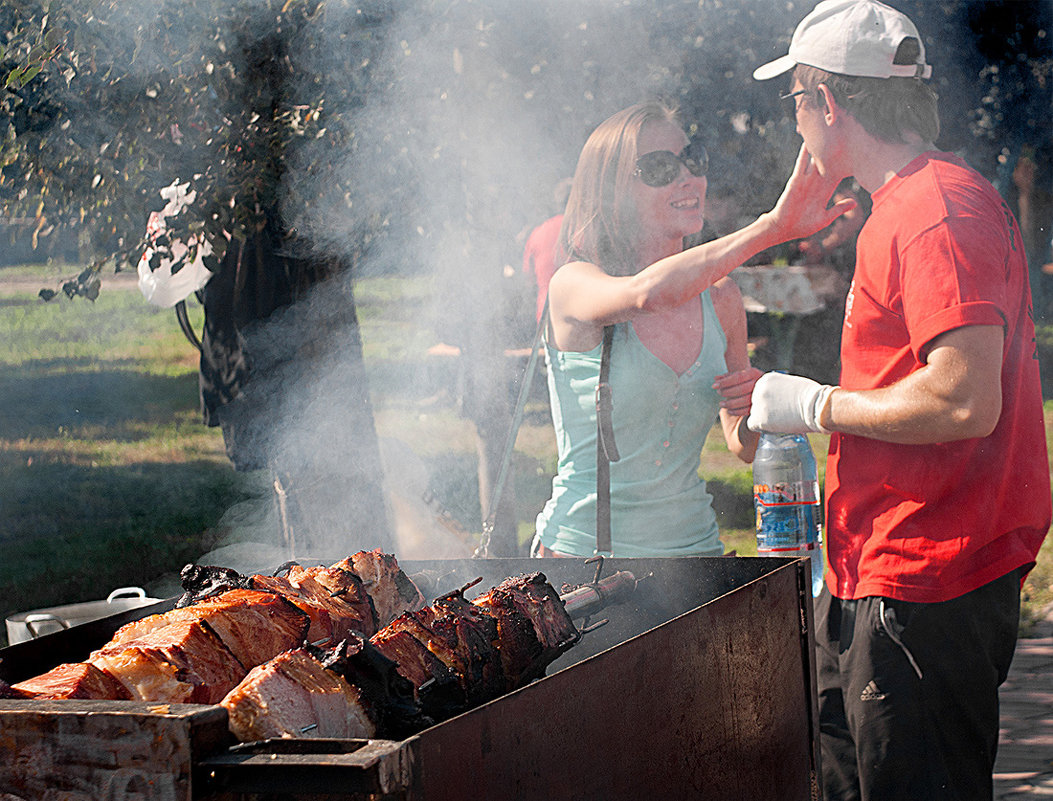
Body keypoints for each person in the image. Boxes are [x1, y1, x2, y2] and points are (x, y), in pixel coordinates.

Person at [747, 2, 1052, 799]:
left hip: (926, 578)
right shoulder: (904, 202)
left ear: (828, 104)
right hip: (878, 566)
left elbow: (962, 401)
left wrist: (814, 405)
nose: (796, 123)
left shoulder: (933, 212)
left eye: (796, 103)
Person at [531, 100, 851, 558]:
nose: (689, 178)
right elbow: (648, 294)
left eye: (693, 159)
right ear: (611, 190)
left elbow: (740, 444)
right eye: (659, 167)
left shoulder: (720, 300)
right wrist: (771, 228)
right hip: (584, 559)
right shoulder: (575, 284)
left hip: (696, 555)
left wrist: (756, 403)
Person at [522, 178, 572, 322]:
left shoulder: (537, 233)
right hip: (580, 318)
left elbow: (528, 278)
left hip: (546, 317)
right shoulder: (584, 229)